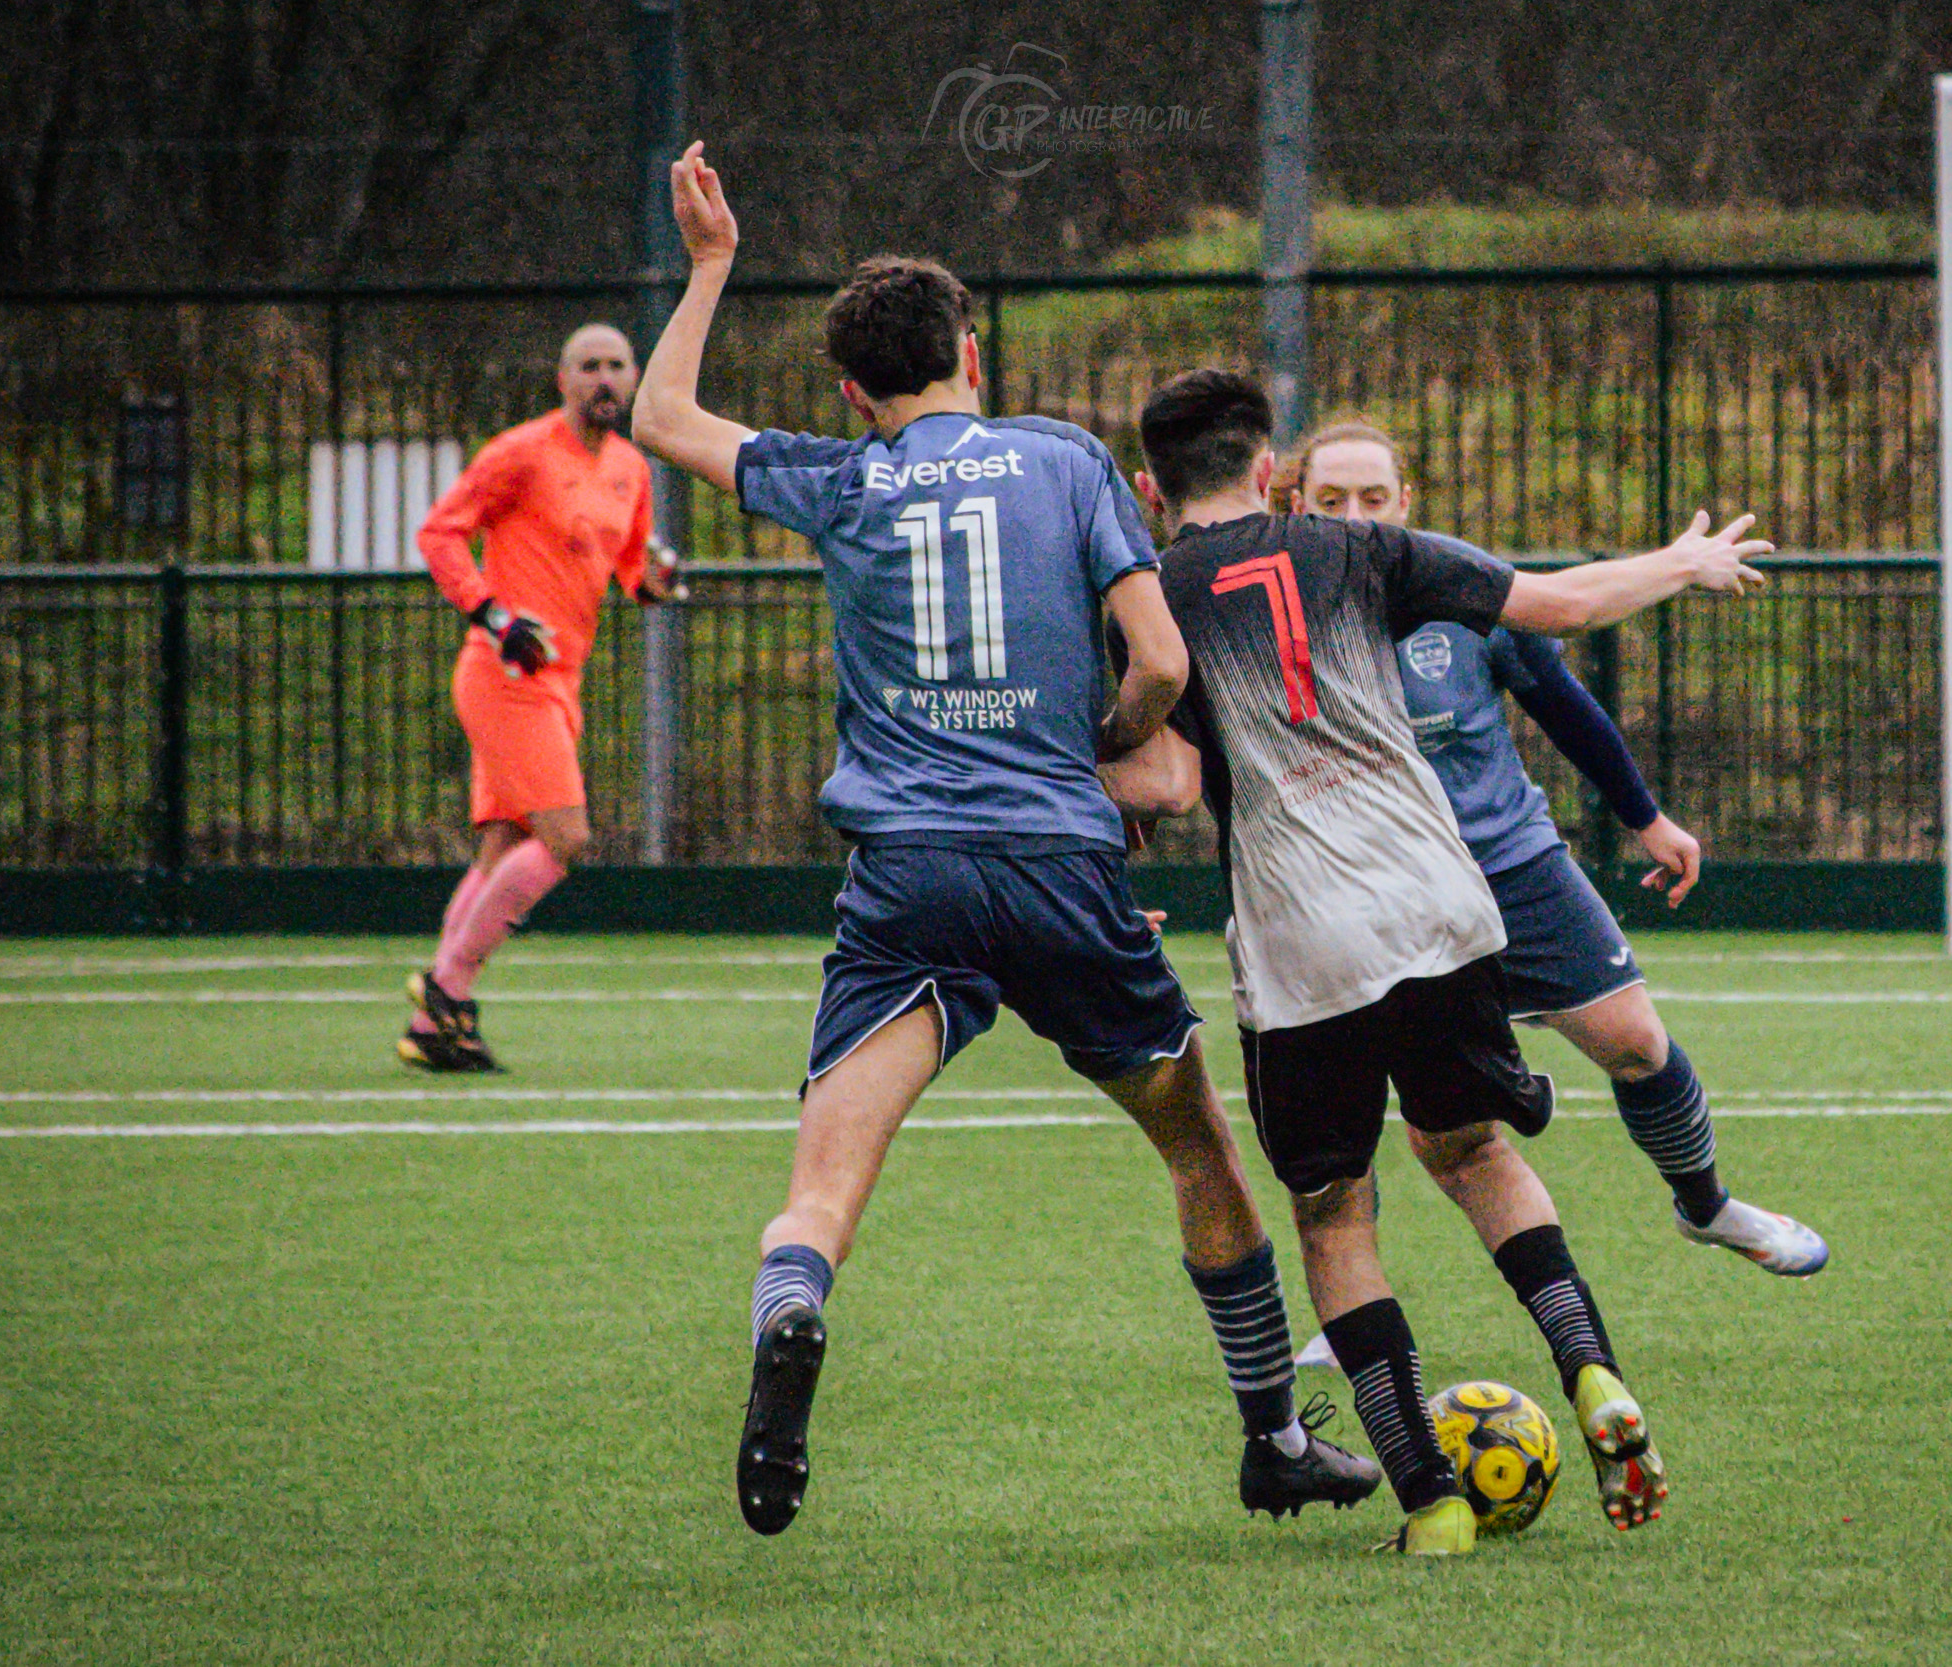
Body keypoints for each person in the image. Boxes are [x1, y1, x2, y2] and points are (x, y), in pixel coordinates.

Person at [630, 142, 1377, 1537]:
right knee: (1198, 1148)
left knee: (822, 1185)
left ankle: (792, 1314)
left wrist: (715, 260)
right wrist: (1093, 742)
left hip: (906, 880)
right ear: (971, 352)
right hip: (1057, 867)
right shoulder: (1063, 459)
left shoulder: (842, 479)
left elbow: (663, 416)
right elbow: (1156, 661)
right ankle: (1276, 1434)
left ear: (857, 391)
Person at [1124, 368, 1771, 1553]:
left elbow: (1160, 780)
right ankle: (1591, 1372)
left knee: (1333, 1215)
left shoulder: (1151, 595)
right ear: (1270, 472)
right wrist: (1680, 562)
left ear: (1145, 486)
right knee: (1470, 1150)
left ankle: (1427, 1500)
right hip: (1440, 903)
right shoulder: (1362, 552)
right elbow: (1561, 609)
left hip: (1301, 937)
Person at [1271, 421, 1829, 1338]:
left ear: (1406, 505)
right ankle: (1355, 1314)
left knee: (1637, 1042)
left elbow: (1562, 704)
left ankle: (1706, 1205)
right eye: (1332, 502)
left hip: (1511, 863)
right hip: (1373, 891)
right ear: (1296, 505)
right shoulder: (1273, 613)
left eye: (1374, 498)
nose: (1356, 517)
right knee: (1402, 1122)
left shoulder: (1459, 583)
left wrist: (1646, 818)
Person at [402, 323, 684, 1073]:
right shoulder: (521, 453)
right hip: (504, 676)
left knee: (503, 847)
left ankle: (435, 1032)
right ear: (561, 379)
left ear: (632, 380)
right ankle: (447, 988)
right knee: (564, 839)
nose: (605, 379)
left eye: (617, 367)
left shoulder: (630, 467)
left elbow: (630, 562)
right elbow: (439, 534)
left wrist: (652, 583)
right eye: (588, 366)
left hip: (564, 683)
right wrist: (492, 614)